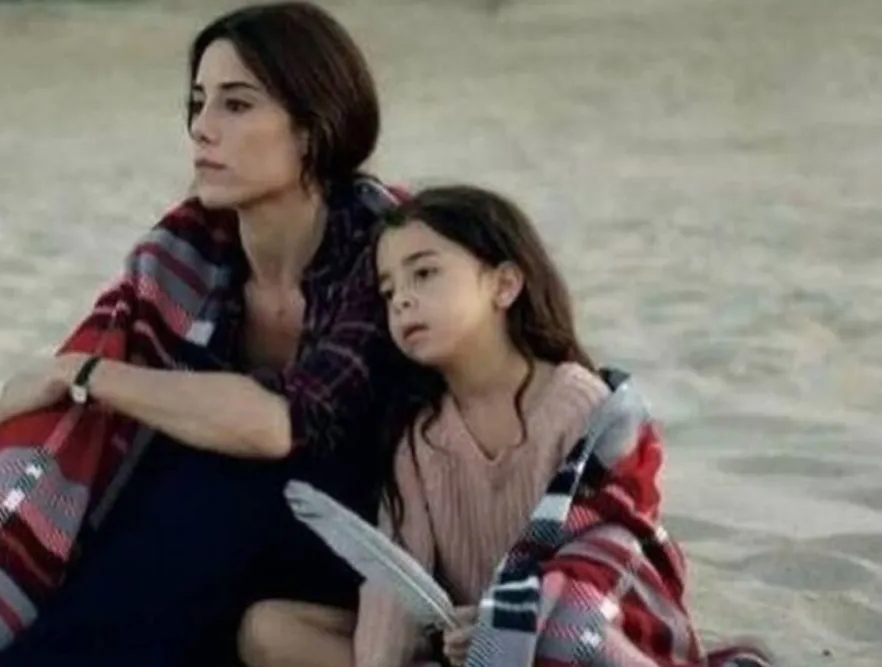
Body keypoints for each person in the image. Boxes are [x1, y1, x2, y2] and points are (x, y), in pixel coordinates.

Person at [0, 3, 405, 667]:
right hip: (219, 542)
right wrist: (60, 394)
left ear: (311, 128)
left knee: (209, 487)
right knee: (118, 501)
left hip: (361, 545)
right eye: (197, 103)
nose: (203, 128)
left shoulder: (386, 251)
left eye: (236, 104)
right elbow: (75, 413)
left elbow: (278, 426)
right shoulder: (188, 253)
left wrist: (83, 374)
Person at [237, 186, 777, 667]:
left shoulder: (576, 405)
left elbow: (608, 557)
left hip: (565, 641)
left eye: (424, 273)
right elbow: (394, 587)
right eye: (387, 289)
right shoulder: (420, 440)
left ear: (504, 285)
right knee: (270, 630)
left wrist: (509, 622)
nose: (401, 298)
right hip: (465, 649)